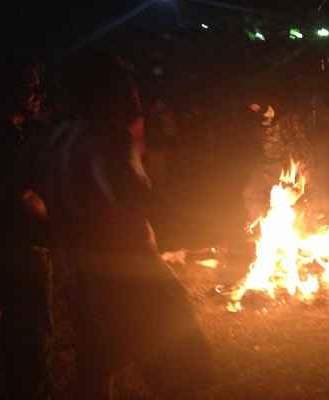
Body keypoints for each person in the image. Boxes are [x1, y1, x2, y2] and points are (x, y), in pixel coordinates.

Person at [40, 52, 213, 399]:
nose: (137, 95)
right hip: (132, 276)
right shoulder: (109, 138)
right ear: (111, 93)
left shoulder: (60, 138)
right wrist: (201, 223)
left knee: (96, 371)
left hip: (84, 275)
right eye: (129, 87)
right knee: (187, 371)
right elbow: (131, 196)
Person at [0, 59, 55, 400]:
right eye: (30, 87)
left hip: (16, 243)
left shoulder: (23, 132)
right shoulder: (7, 138)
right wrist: (59, 220)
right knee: (31, 330)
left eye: (38, 87)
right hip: (20, 246)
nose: (37, 95)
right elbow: (23, 196)